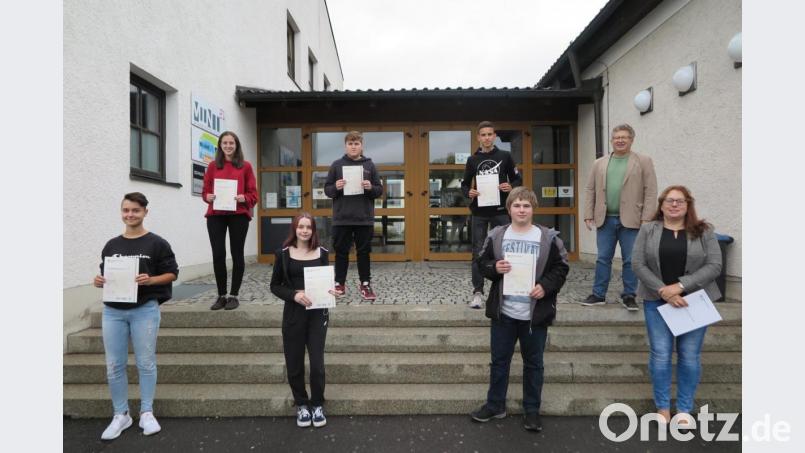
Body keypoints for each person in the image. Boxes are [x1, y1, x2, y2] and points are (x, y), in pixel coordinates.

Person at [470, 187, 569, 432]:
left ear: (533, 209)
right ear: (509, 209)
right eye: (517, 205)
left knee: (534, 364)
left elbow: (561, 268)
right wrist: (495, 267)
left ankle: (532, 410)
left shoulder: (547, 237)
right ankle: (495, 405)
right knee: (499, 361)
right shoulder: (497, 235)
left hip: (535, 314)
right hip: (504, 312)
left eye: (526, 206)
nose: (521, 210)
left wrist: (545, 287)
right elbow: (481, 264)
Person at [632, 185, 722, 424]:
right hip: (656, 301)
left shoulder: (704, 231)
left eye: (680, 201)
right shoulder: (648, 229)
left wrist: (680, 287)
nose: (674, 205)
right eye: (669, 200)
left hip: (693, 302)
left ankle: (683, 409)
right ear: (661, 205)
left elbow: (714, 266)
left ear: (688, 205)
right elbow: (638, 264)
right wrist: (664, 291)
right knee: (660, 355)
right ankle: (662, 407)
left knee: (689, 356)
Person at [93, 192, 178, 440]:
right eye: (126, 210)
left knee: (146, 363)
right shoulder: (112, 245)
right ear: (121, 212)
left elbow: (172, 273)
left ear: (145, 213)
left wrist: (151, 279)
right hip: (113, 312)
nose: (130, 215)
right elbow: (105, 275)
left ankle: (147, 412)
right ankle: (121, 414)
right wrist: (99, 281)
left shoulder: (157, 243)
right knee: (114, 365)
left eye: (135, 210)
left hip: (144, 310)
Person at [582, 124, 657, 311]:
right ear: (612, 140)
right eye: (616, 137)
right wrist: (588, 214)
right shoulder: (599, 163)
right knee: (602, 258)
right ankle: (598, 294)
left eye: (624, 137)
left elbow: (651, 190)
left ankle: (629, 295)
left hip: (633, 219)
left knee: (631, 260)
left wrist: (647, 218)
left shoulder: (644, 161)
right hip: (605, 219)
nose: (620, 140)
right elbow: (590, 189)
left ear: (632, 140)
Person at [270, 213, 334, 428]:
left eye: (309, 227)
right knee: (294, 363)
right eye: (301, 227)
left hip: (318, 314)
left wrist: (333, 291)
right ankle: (302, 404)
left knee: (317, 364)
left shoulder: (322, 252)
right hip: (294, 314)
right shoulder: (283, 254)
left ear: (314, 230)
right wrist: (294, 295)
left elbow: (328, 282)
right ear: (295, 229)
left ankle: (317, 404)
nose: (305, 231)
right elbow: (275, 285)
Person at [461, 121, 522, 309]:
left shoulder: (505, 156)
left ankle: (506, 290)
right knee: (478, 252)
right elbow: (464, 184)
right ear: (478, 137)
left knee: (504, 250)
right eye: (483, 135)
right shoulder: (472, 160)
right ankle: (478, 292)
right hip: (479, 213)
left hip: (501, 212)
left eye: (490, 134)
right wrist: (468, 193)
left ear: (494, 136)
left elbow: (518, 178)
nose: (487, 138)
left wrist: (511, 186)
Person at [323, 130, 383, 300]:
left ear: (361, 146)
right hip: (342, 219)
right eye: (350, 143)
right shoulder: (336, 165)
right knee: (341, 252)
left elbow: (379, 190)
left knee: (364, 253)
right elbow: (327, 190)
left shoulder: (370, 165)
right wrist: (336, 187)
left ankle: (365, 284)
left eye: (356, 144)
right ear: (345, 146)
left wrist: (370, 187)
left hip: (364, 218)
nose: (353, 146)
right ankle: (339, 284)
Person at [202, 130, 258, 310]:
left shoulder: (246, 166)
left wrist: (244, 198)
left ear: (236, 145)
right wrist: (208, 197)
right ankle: (221, 295)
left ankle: (233, 295)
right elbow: (205, 191)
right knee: (218, 254)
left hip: (238, 215)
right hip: (216, 215)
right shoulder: (212, 166)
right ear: (220, 146)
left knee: (237, 254)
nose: (228, 146)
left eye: (231, 143)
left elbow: (254, 194)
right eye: (224, 143)